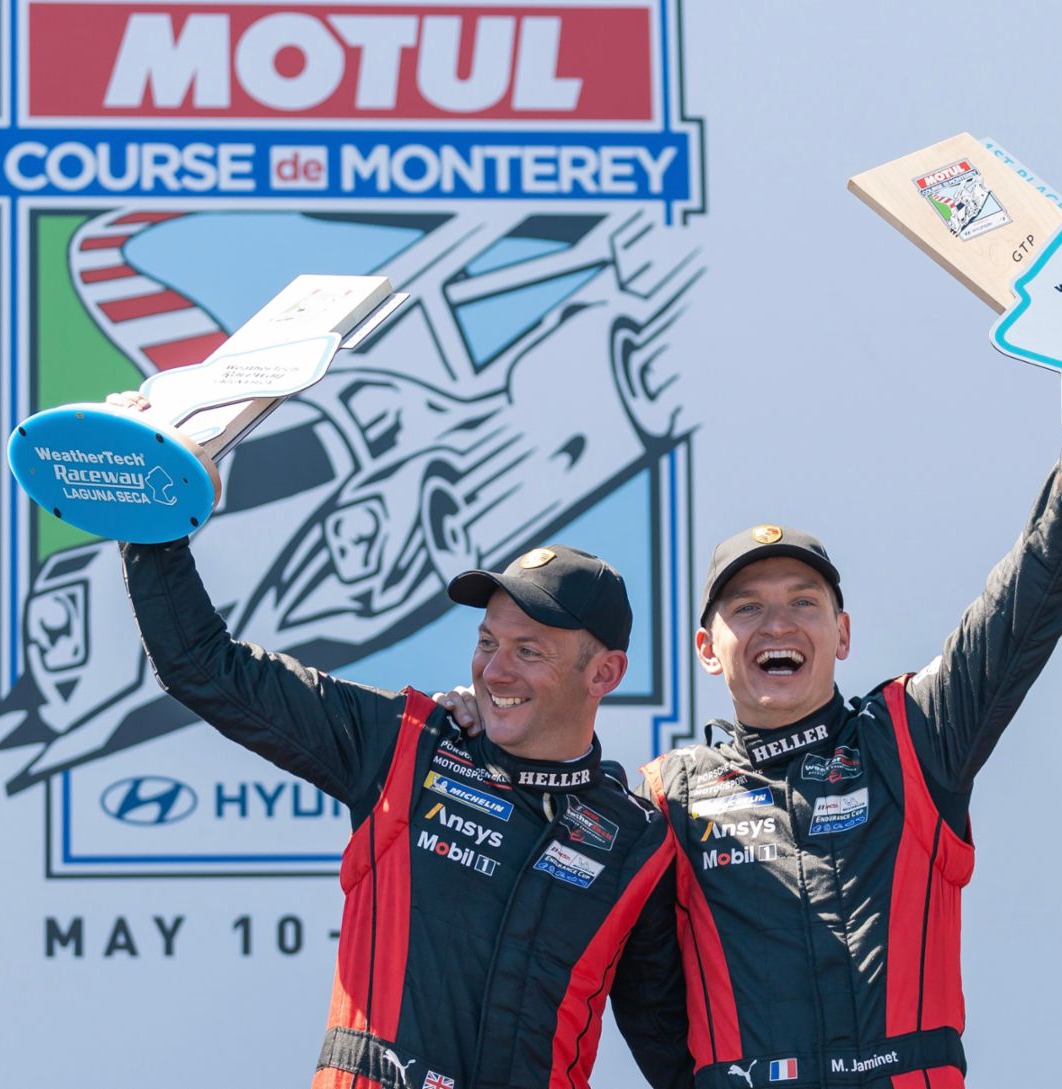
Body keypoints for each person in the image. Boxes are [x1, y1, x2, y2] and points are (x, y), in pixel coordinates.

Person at [440, 286, 1062, 1086]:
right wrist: (469, 732)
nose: (776, 625)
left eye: (803, 603)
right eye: (746, 608)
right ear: (708, 649)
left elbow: (1031, 593)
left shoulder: (912, 738)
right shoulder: (662, 799)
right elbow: (640, 992)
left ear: (842, 633)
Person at [111, 394, 691, 1089]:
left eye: (528, 650)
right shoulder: (404, 743)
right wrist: (148, 513)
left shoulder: (635, 838)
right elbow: (202, 666)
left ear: (603, 674)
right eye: (487, 642)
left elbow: (672, 1047)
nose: (494, 670)